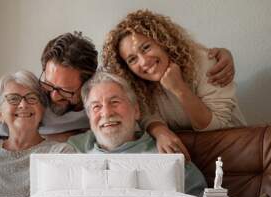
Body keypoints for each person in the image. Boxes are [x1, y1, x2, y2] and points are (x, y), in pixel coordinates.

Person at [0, 32, 234, 188]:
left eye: (65, 91)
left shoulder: (96, 106)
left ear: (83, 90)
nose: (52, 96)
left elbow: (135, 113)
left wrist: (158, 130)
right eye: (49, 83)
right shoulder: (30, 99)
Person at [102, 10, 246, 161]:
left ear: (163, 41)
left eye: (145, 48)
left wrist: (179, 89)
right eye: (132, 59)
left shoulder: (203, 62)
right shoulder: (139, 86)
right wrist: (159, 131)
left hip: (235, 154)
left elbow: (216, 126)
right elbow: (146, 117)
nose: (144, 62)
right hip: (191, 160)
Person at [68, 71, 207, 196]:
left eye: (115, 102)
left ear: (136, 111)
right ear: (89, 117)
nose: (106, 113)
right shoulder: (74, 151)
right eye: (96, 106)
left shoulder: (167, 154)